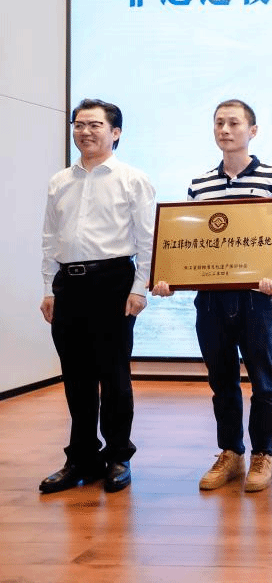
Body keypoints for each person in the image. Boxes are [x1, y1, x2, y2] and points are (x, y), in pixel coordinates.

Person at [152, 99, 272, 493]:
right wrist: (170, 277)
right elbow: (189, 241)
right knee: (221, 380)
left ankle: (263, 454)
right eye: (219, 123)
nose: (225, 130)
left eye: (234, 123)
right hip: (211, 298)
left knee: (263, 381)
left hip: (257, 297)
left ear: (253, 130)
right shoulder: (199, 184)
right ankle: (231, 453)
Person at [39, 98, 155, 494]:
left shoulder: (132, 179)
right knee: (76, 377)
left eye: (94, 125)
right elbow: (49, 238)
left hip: (113, 282)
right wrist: (48, 288)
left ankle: (118, 455)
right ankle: (82, 458)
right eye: (79, 124)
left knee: (114, 375)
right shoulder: (60, 181)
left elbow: (148, 239)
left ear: (115, 132)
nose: (84, 132)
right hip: (68, 285)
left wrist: (139, 289)